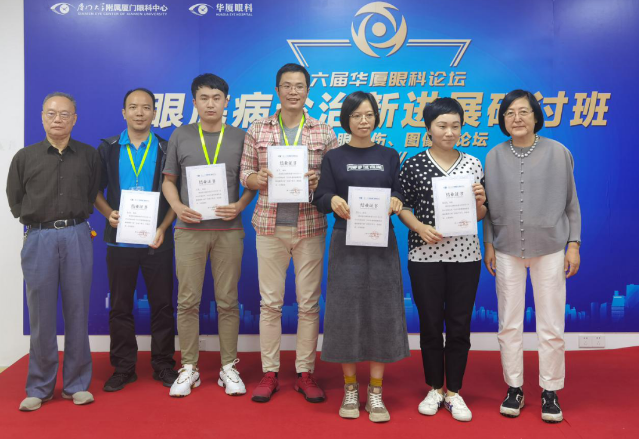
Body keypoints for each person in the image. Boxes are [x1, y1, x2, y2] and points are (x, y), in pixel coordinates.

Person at [240, 63, 338, 403]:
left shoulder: (324, 131)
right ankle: (270, 372)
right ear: (277, 90)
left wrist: (319, 181)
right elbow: (245, 173)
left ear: (308, 91)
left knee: (309, 304)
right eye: (287, 85)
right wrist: (257, 178)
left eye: (299, 86)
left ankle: (305, 372)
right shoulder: (258, 128)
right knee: (270, 303)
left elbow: (334, 181)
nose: (293, 91)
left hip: (309, 225)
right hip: (269, 225)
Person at [483, 89, 581, 423]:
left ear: (536, 116)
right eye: (510, 113)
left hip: (551, 248)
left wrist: (574, 244)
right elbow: (487, 208)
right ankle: (514, 387)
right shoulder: (493, 156)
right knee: (508, 323)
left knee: (551, 324)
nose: (517, 118)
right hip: (506, 248)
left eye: (523, 111)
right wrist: (489, 243)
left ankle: (550, 390)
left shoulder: (558, 152)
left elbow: (571, 203)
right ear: (503, 119)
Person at [313, 91, 409, 422]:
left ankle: (376, 391)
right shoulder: (334, 157)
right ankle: (351, 388)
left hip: (382, 241)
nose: (363, 121)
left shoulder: (389, 155)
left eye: (368, 115)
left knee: (383, 311)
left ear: (376, 118)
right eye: (356, 115)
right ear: (347, 120)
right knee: (345, 312)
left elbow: (399, 190)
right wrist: (332, 201)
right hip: (346, 241)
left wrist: (396, 200)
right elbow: (320, 195)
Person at [162, 74, 256, 397]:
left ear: (227, 101)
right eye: (204, 98)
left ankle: (228, 366)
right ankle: (189, 367)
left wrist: (240, 205)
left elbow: (251, 182)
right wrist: (178, 206)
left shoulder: (241, 137)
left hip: (229, 231)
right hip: (189, 231)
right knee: (187, 301)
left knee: (227, 301)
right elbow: (168, 180)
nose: (211, 104)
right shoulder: (181, 135)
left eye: (217, 97)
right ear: (195, 102)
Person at [7, 92, 100, 411]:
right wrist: (38, 220)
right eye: (51, 113)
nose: (57, 119)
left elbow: (92, 192)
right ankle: (39, 386)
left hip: (76, 234)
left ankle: (77, 384)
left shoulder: (88, 155)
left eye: (64, 114)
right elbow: (15, 198)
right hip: (39, 237)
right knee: (41, 315)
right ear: (42, 117)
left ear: (75, 119)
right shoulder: (25, 157)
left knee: (78, 311)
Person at [398, 97, 486, 422]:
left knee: (460, 325)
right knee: (431, 324)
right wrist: (419, 227)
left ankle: (455, 392)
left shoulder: (474, 164)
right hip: (424, 256)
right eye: (442, 125)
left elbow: (481, 214)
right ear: (428, 129)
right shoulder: (413, 164)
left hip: (466, 256)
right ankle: (435, 388)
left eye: (455, 125)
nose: (449, 132)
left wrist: (481, 202)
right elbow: (402, 205)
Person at [94, 88, 178, 392]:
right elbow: (95, 191)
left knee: (162, 305)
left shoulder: (167, 148)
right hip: (120, 242)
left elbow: (176, 196)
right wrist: (109, 214)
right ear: (124, 112)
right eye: (133, 107)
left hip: (157, 240)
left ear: (154, 112)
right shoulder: (108, 148)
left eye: (146, 107)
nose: (139, 113)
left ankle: (164, 365)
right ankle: (123, 367)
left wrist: (164, 227)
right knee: (120, 306)